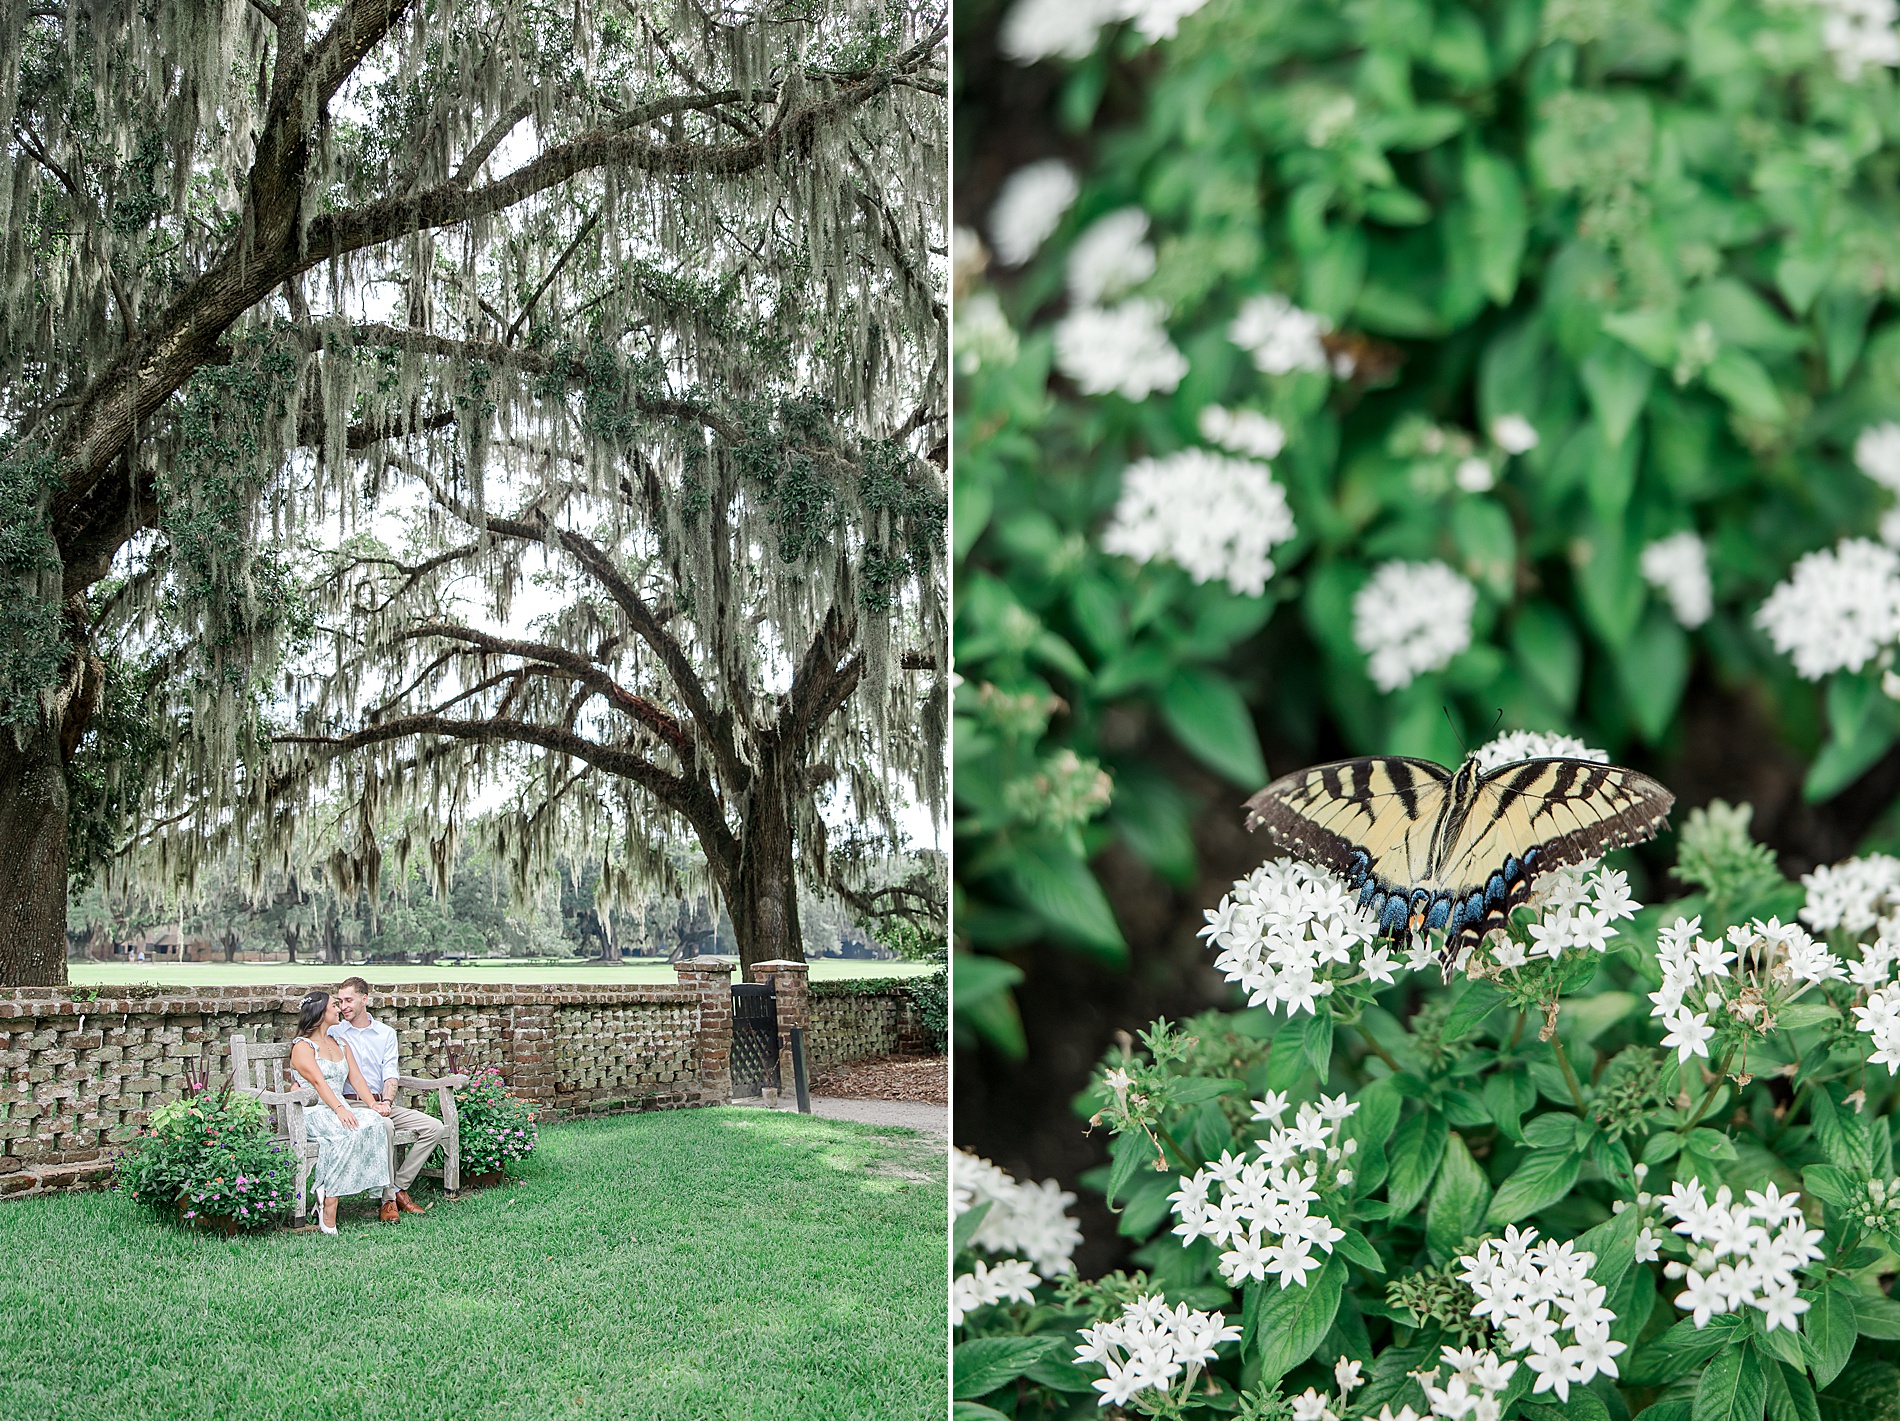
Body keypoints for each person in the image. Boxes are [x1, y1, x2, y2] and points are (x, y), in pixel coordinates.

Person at [331, 976, 447, 1221]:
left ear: (365, 999)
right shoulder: (335, 1031)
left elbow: (390, 1074)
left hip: (381, 1102)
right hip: (352, 1105)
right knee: (386, 1126)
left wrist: (387, 1102)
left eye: (349, 1000)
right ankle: (388, 1202)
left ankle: (398, 1187)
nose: (343, 1007)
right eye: (340, 1001)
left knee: (434, 1127)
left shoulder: (385, 1033)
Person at [288, 990, 393, 1234]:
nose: (339, 1009)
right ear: (320, 1013)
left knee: (374, 1123)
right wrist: (338, 1108)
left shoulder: (340, 1044)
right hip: (313, 1111)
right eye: (334, 1006)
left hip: (338, 1108)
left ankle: (330, 1189)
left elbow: (356, 1078)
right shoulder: (302, 1047)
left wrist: (372, 1105)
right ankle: (330, 1201)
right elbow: (318, 1083)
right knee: (347, 1131)